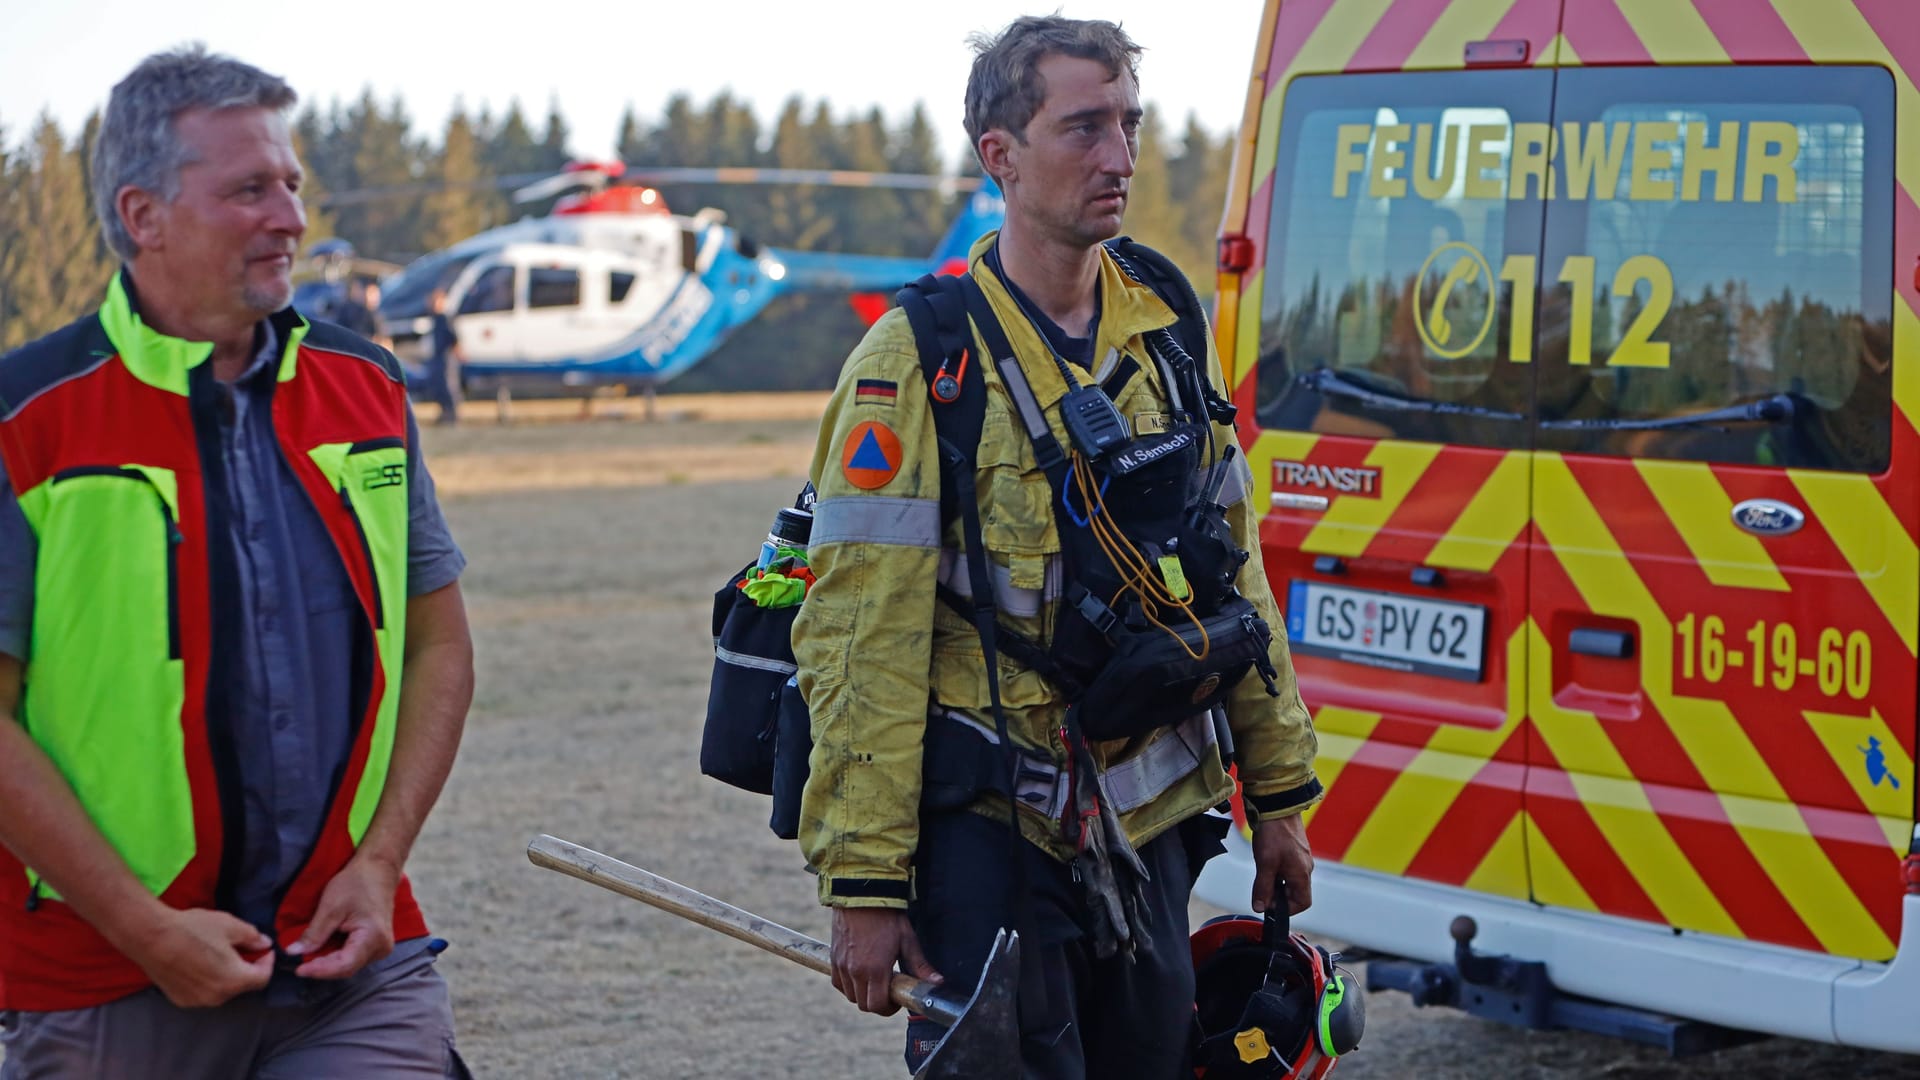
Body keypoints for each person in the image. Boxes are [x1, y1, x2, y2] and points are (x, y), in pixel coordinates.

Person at [792, 16, 1320, 1079]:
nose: (1120, 157)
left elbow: (1236, 567)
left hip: (1158, 834)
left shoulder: (1166, 327)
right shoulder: (916, 365)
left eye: (1128, 124)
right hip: (992, 845)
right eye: (1083, 128)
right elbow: (861, 641)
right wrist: (865, 887)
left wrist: (1281, 797)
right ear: (1001, 156)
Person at [0, 46, 474, 1078]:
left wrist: (378, 861)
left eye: (293, 184)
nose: (291, 218)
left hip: (351, 967)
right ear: (144, 214)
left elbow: (438, 640)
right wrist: (145, 928)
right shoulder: (24, 420)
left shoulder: (368, 389)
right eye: (250, 189)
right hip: (103, 982)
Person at [424, 287, 463, 425]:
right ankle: (444, 413)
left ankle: (452, 415)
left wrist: (458, 354)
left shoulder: (446, 318)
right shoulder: (435, 319)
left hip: (447, 359)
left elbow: (454, 339)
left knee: (449, 386)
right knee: (438, 386)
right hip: (437, 358)